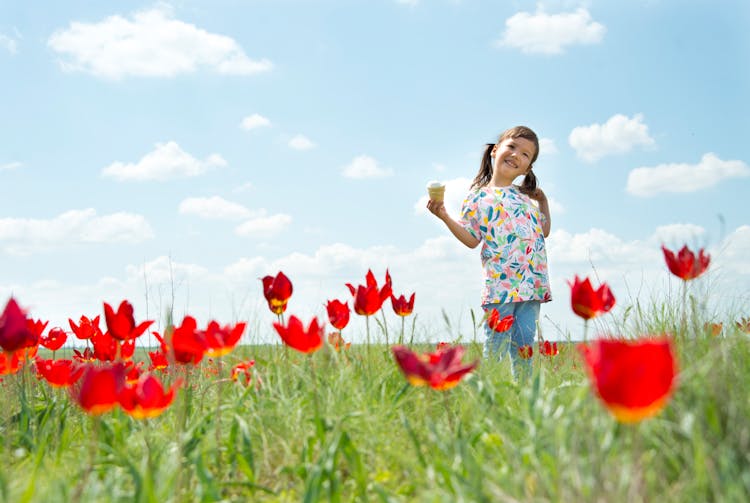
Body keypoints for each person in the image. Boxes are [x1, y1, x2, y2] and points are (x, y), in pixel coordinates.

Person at [426, 125, 552, 377]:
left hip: (531, 286)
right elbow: (472, 239)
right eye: (512, 147)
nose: (517, 155)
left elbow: (544, 230)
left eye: (526, 154)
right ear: (496, 151)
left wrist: (544, 202)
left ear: (527, 169)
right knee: (495, 348)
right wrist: (444, 217)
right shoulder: (478, 197)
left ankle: (522, 399)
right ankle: (489, 399)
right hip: (500, 288)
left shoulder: (525, 197)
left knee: (525, 348)